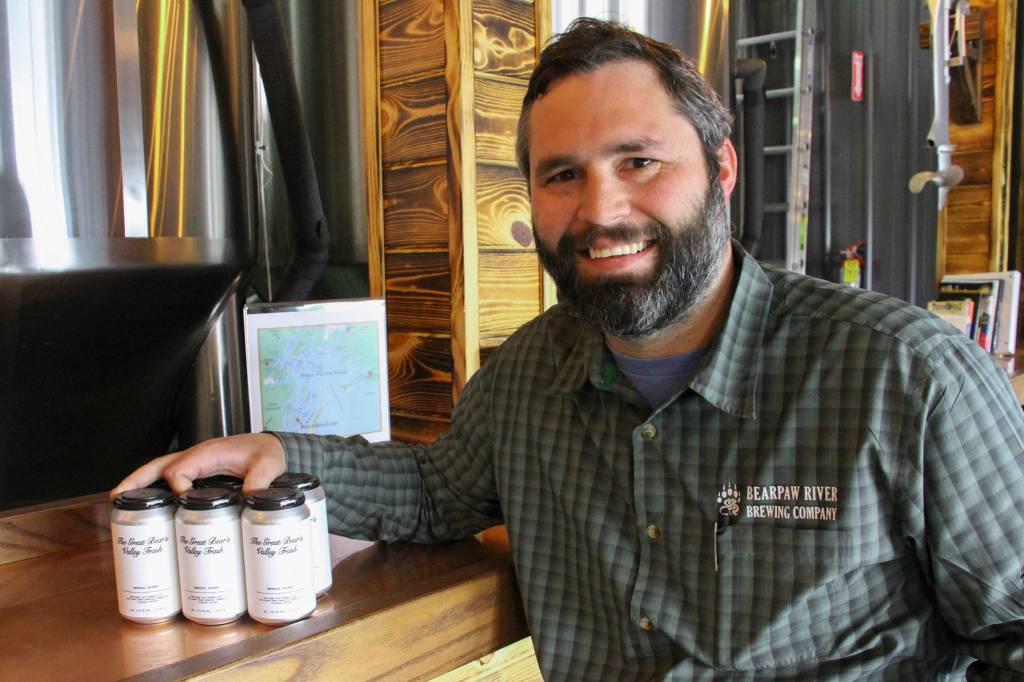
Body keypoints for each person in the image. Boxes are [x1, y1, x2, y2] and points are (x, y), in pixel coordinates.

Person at [114, 18, 1024, 680]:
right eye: (562, 176)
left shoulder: (906, 376)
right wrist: (278, 456)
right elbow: (435, 492)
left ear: (722, 168)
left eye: (639, 161)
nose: (600, 211)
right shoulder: (526, 378)